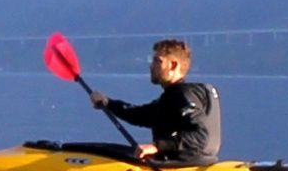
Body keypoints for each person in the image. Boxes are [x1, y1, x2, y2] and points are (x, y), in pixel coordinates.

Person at [91, 38, 220, 164]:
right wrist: (108, 103)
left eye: (157, 61)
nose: (151, 66)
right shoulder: (172, 97)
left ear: (173, 65)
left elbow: (201, 136)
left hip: (184, 163)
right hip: (184, 159)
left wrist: (157, 146)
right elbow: (139, 115)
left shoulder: (182, 95)